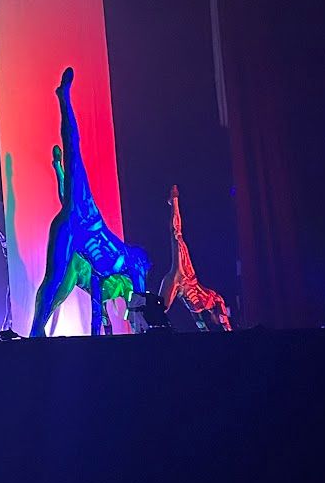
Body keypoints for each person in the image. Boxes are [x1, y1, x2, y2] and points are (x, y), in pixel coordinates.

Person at [29, 67, 149, 337]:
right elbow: (140, 295)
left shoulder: (124, 267)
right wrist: (59, 168)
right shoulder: (129, 258)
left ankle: (37, 332)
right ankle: (64, 98)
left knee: (57, 284)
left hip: (75, 230)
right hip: (86, 221)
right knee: (73, 147)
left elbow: (135, 297)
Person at [159, 184, 232, 330]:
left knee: (160, 310)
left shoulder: (200, 308)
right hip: (187, 274)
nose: (216, 319)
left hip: (179, 284)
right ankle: (174, 200)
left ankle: (141, 314)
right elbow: (224, 322)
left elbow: (200, 322)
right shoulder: (215, 299)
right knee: (176, 235)